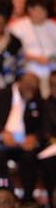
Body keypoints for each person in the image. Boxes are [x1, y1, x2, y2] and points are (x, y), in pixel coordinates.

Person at [0, 73, 44, 202]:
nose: (31, 90)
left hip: (23, 144)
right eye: (28, 86)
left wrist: (34, 137)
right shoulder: (0, 94)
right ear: (20, 82)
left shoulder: (36, 99)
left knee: (30, 156)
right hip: (1, 141)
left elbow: (42, 124)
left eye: (34, 88)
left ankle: (28, 198)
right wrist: (1, 133)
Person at [9, 0, 56, 99]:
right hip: (28, 71)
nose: (43, 14)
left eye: (45, 11)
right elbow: (12, 53)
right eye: (39, 10)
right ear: (30, 9)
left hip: (52, 71)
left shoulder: (52, 26)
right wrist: (35, 58)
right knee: (31, 81)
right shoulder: (17, 27)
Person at [41, 71, 56, 200]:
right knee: (48, 162)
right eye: (53, 85)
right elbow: (45, 131)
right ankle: (52, 202)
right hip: (51, 146)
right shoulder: (45, 104)